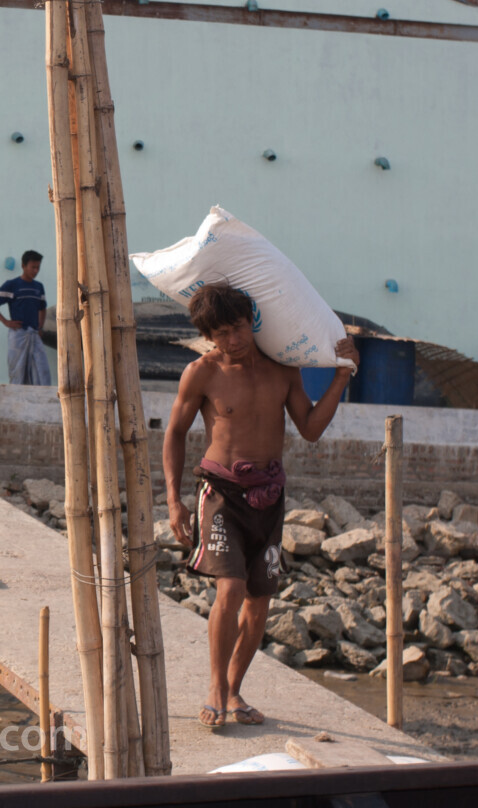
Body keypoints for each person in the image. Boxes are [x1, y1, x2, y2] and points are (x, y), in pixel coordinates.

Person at [164, 282, 358, 730]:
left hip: (269, 497)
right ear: (209, 336)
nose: (231, 340)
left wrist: (342, 375)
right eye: (220, 334)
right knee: (229, 590)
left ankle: (233, 692)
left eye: (236, 328)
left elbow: (309, 428)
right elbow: (174, 433)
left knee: (259, 601)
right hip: (221, 493)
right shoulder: (202, 373)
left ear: (251, 321)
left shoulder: (282, 370)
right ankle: (214, 687)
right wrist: (174, 501)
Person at [0, 250, 50, 385]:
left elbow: (42, 308)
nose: (36, 270)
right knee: (17, 372)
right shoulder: (12, 285)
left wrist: (40, 327)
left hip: (34, 335)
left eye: (38, 267)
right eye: (33, 267)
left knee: (42, 371)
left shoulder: (38, 287)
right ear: (23, 266)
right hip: (18, 335)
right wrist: (5, 322)